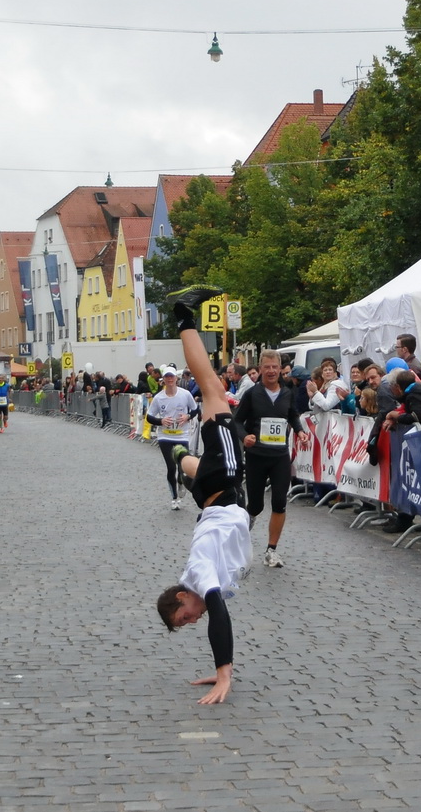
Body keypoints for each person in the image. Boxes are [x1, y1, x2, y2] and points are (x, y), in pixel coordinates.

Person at [155, 288, 253, 705]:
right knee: (212, 391)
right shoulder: (197, 581)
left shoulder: (198, 574)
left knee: (212, 387)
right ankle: (184, 460)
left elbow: (219, 617)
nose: (193, 620)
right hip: (213, 494)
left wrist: (223, 673)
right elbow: (213, 613)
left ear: (182, 597)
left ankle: (183, 315)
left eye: (185, 617)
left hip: (224, 486)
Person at [234, 349, 303, 565]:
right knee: (256, 506)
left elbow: (293, 415)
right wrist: (245, 437)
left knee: (280, 502)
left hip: (280, 455)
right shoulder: (252, 394)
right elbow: (237, 421)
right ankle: (241, 534)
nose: (271, 371)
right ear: (260, 369)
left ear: (280, 368)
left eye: (275, 367)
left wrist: (300, 431)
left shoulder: (287, 392)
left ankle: (271, 550)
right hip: (256, 455)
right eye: (267, 367)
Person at [146, 367, 200, 510]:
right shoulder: (159, 398)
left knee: (182, 467)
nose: (169, 379)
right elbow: (149, 417)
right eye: (167, 377)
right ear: (163, 379)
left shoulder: (185, 394)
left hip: (182, 435)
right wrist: (161, 421)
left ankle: (181, 482)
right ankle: (174, 498)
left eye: (172, 376)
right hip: (165, 436)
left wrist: (188, 416)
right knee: (171, 467)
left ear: (176, 378)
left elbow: (195, 409)